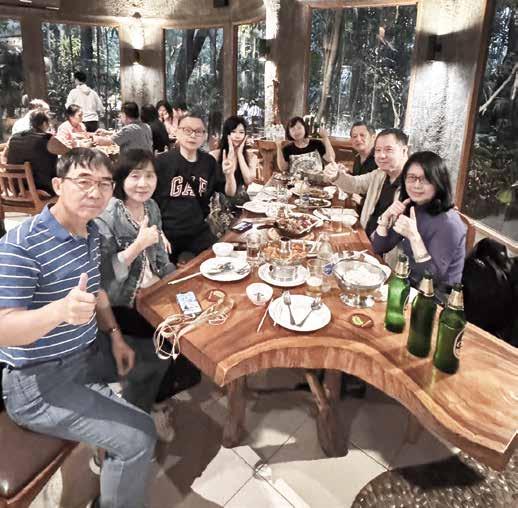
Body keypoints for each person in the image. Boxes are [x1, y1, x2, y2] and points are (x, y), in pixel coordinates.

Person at [0, 148, 156, 508]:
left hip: (87, 355)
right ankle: (122, 447)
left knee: (155, 358)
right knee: (139, 438)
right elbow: (4, 329)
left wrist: (115, 337)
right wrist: (59, 311)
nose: (95, 192)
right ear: (58, 185)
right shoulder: (21, 245)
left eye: (104, 183)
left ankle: (110, 441)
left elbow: (97, 292)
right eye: (84, 181)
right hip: (38, 383)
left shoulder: (91, 232)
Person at [95, 149, 176, 442]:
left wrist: (174, 280)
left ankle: (157, 401)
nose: (143, 183)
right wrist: (137, 245)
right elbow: (104, 277)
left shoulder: (151, 206)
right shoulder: (107, 216)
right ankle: (137, 417)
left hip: (153, 289)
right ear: (121, 180)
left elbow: (159, 257)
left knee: (180, 337)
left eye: (149, 176)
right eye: (135, 176)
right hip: (122, 300)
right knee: (157, 354)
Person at [371, 151, 467, 295]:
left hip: (437, 298)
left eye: (425, 180)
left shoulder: (449, 223)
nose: (416, 185)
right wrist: (385, 218)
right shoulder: (414, 207)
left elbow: (432, 280)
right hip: (410, 284)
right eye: (411, 178)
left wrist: (414, 237)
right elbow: (379, 247)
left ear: (439, 183)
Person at [154, 114, 236, 263]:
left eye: (198, 131)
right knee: (168, 273)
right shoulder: (162, 162)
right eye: (187, 130)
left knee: (221, 262)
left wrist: (229, 175)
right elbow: (148, 202)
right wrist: (158, 231)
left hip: (198, 231)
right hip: (168, 232)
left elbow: (230, 192)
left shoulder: (209, 162)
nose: (193, 135)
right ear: (177, 132)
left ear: (204, 136)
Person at [324, 128, 409, 237]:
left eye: (388, 149)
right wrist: (336, 175)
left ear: (404, 151)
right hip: (365, 236)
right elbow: (355, 184)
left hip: (386, 245)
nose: (382, 155)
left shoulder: (413, 185)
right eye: (378, 150)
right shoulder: (379, 174)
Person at [5, 109, 69, 195]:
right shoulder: (46, 139)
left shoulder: (14, 137)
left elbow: (5, 156)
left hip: (16, 188)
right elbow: (68, 152)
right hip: (43, 188)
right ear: (44, 123)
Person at [209, 115, 257, 189]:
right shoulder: (214, 155)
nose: (237, 136)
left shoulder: (251, 156)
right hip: (217, 195)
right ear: (226, 134)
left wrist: (240, 155)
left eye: (241, 132)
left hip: (241, 196)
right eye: (233, 132)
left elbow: (248, 181)